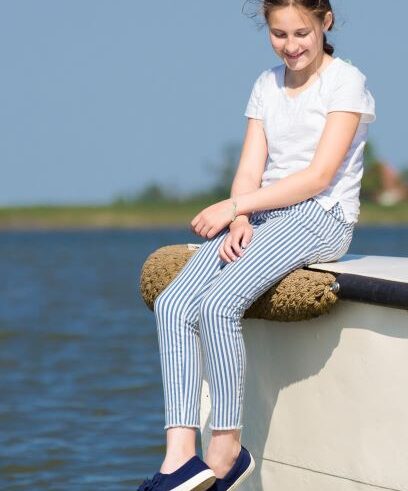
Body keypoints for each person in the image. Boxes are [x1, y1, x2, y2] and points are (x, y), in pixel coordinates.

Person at [138, 0, 376, 489]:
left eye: (302, 34)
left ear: (325, 22)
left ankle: (225, 453)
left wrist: (229, 210)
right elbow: (250, 168)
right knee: (175, 302)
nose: (291, 47)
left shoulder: (345, 81)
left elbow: (318, 177)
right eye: (279, 34)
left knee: (220, 304)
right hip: (263, 211)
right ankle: (179, 458)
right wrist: (242, 211)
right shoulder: (265, 85)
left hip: (320, 216)